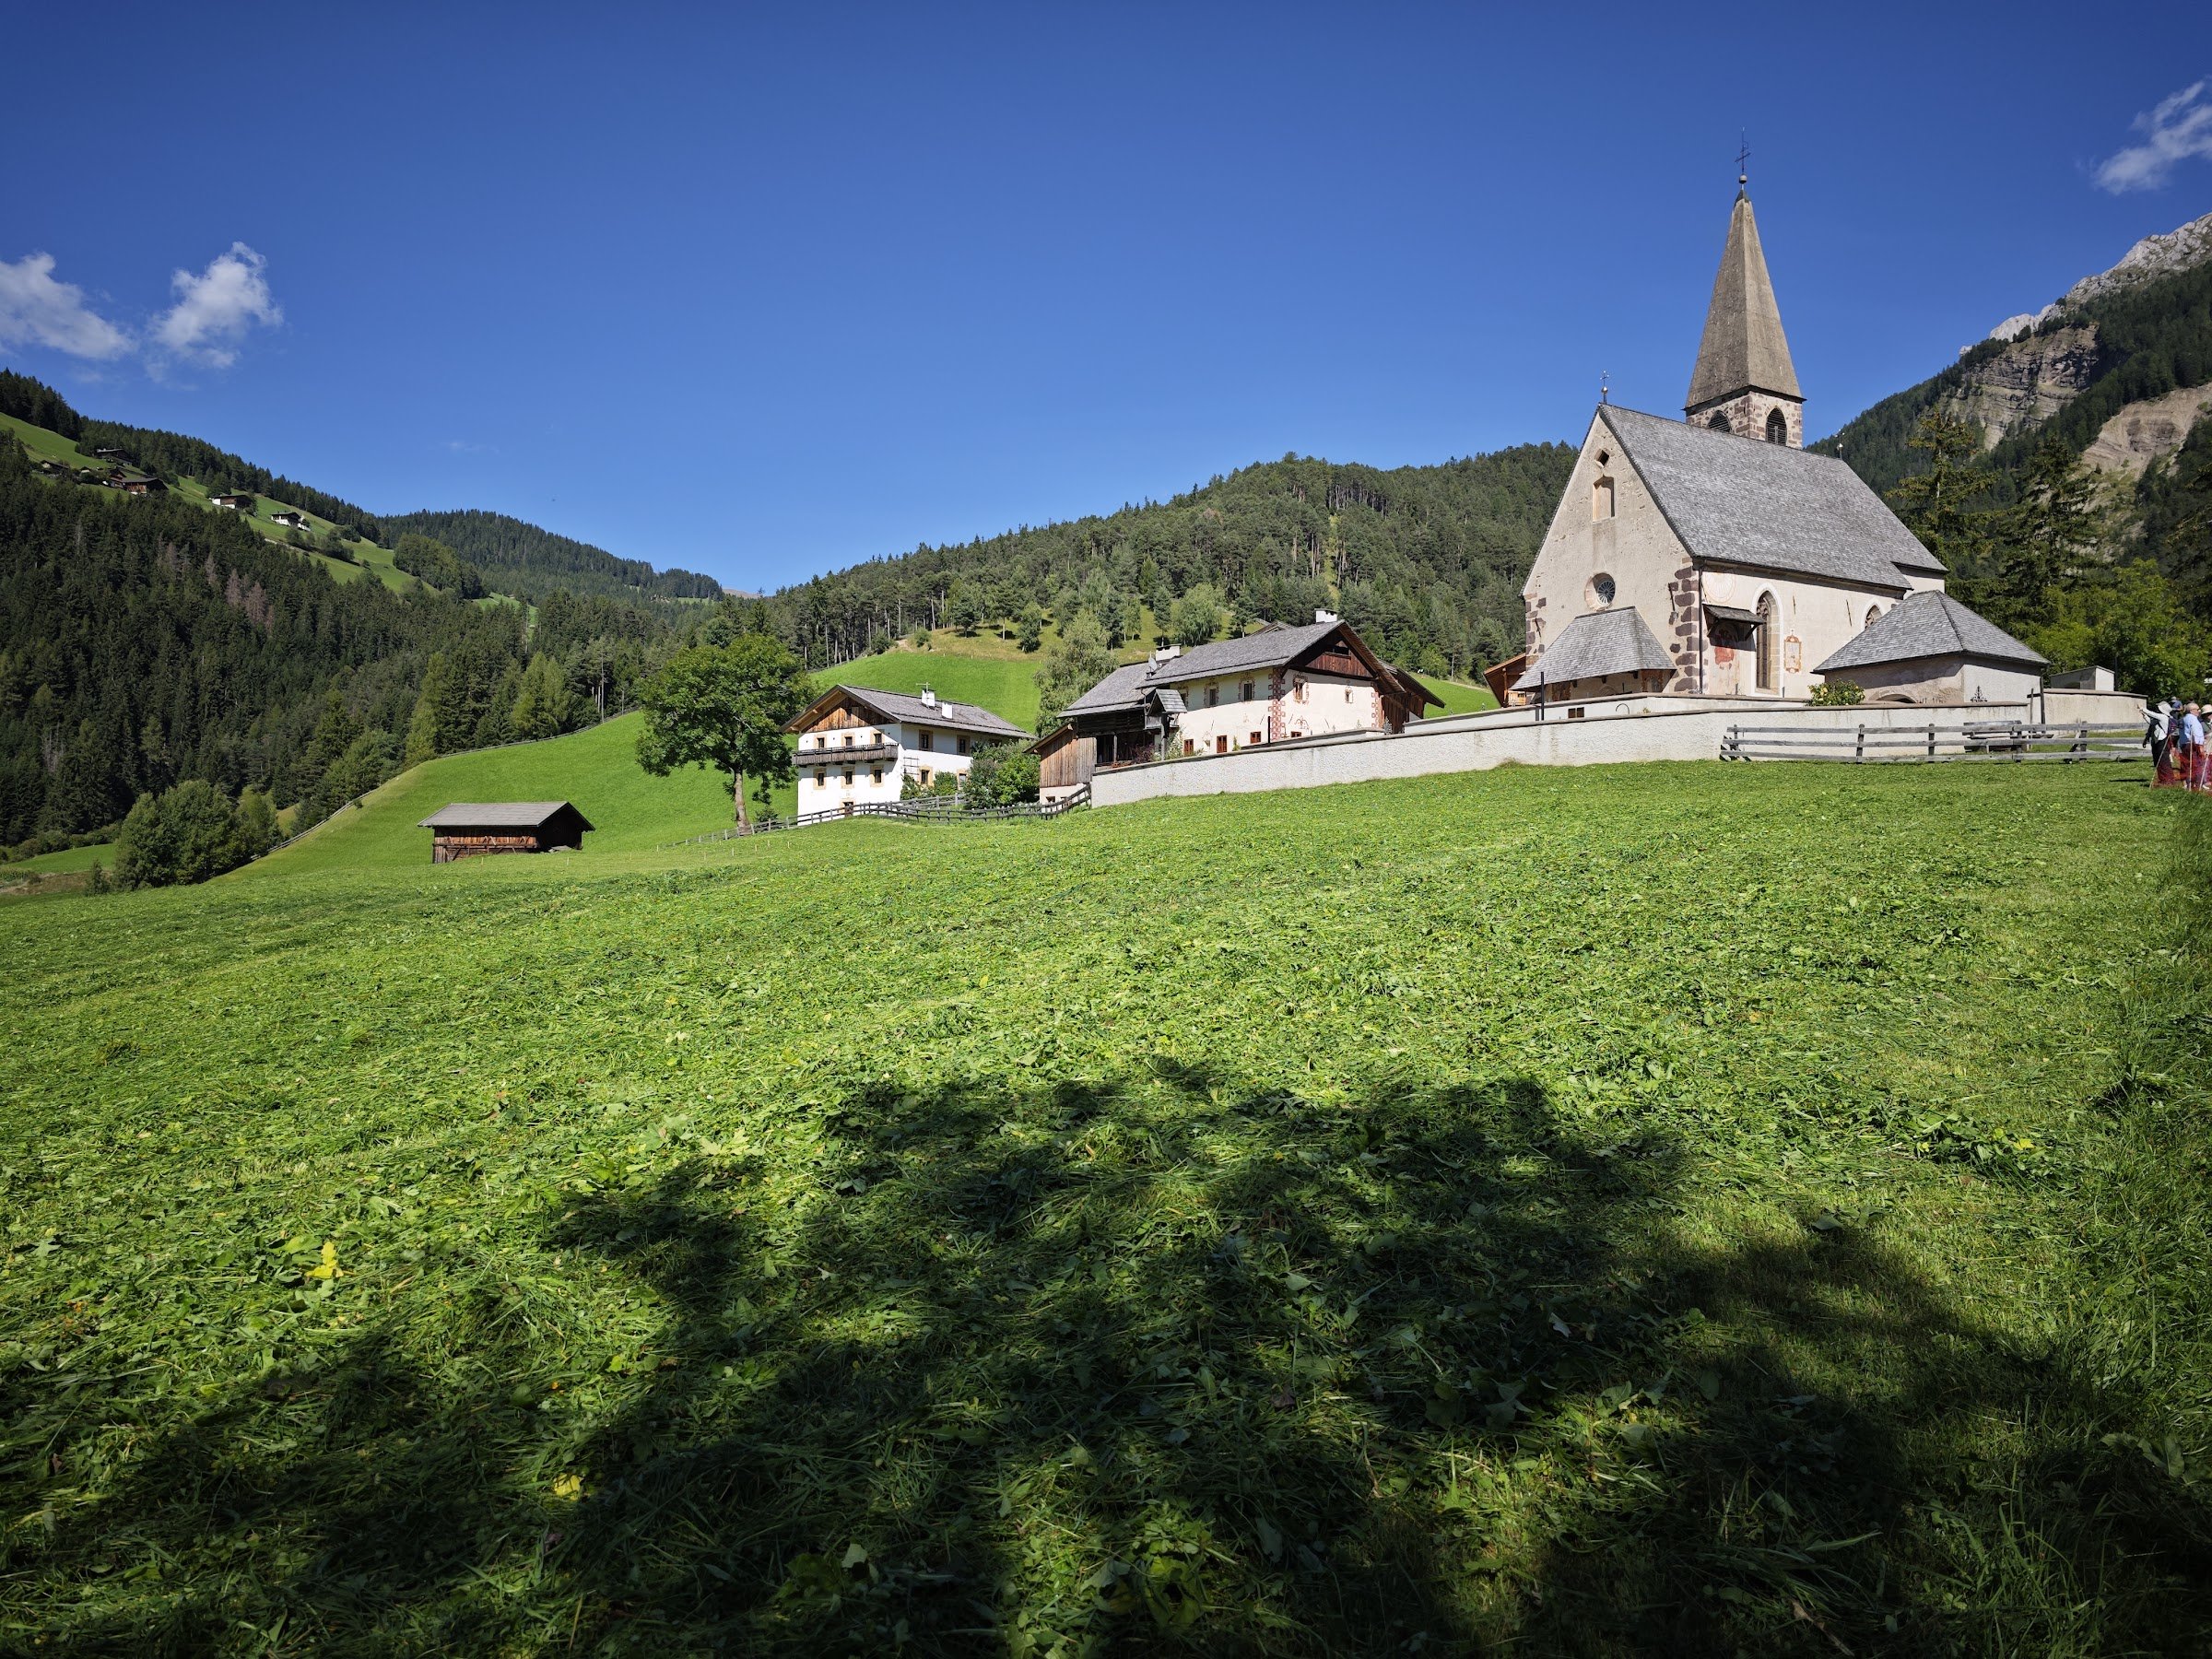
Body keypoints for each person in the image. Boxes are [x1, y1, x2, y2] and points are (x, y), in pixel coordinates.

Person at [2150, 698, 2177, 787]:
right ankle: (2163, 779)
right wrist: (2144, 715)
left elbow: (2152, 714)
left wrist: (2143, 709)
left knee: (2164, 760)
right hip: (2159, 740)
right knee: (2159, 761)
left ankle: (2168, 779)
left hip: (2163, 741)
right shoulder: (2160, 717)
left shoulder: (2163, 717)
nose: (2157, 709)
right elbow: (2151, 722)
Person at [2184, 702, 2207, 793]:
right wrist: (2200, 746)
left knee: (2188, 765)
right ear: (2191, 710)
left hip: (2186, 744)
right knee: (2196, 765)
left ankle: (2190, 784)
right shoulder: (2193, 719)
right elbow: (2195, 733)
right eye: (2197, 709)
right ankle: (2196, 786)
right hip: (2194, 745)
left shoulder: (2184, 719)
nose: (2199, 711)